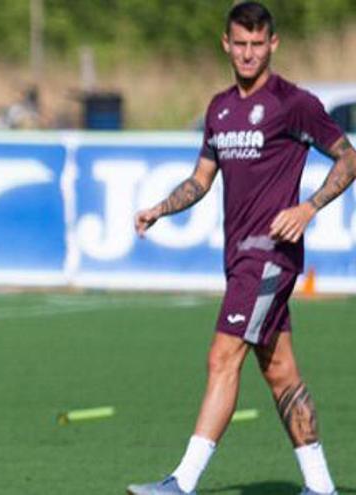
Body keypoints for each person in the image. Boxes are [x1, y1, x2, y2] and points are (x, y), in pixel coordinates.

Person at [128, 2, 354, 494]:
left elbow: (347, 157)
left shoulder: (293, 103)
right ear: (225, 44)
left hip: (270, 256)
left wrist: (309, 207)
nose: (249, 53)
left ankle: (180, 483)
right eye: (240, 44)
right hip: (239, 259)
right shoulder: (219, 108)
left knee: (221, 357)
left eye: (258, 44)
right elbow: (201, 179)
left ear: (272, 45)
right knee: (280, 372)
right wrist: (160, 209)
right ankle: (322, 487)